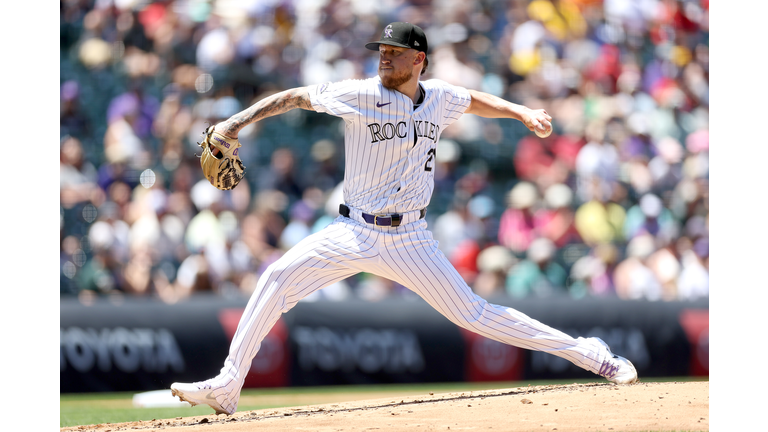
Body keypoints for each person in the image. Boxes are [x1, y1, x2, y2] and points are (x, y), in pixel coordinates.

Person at [171, 22, 638, 416]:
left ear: (420, 61)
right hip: (352, 230)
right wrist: (233, 124)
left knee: (475, 314)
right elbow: (294, 97)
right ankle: (228, 386)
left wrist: (520, 111)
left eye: (395, 52)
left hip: (411, 237)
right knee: (276, 277)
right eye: (382, 51)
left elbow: (471, 98)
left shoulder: (438, 97)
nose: (384, 58)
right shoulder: (359, 93)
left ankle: (591, 354)